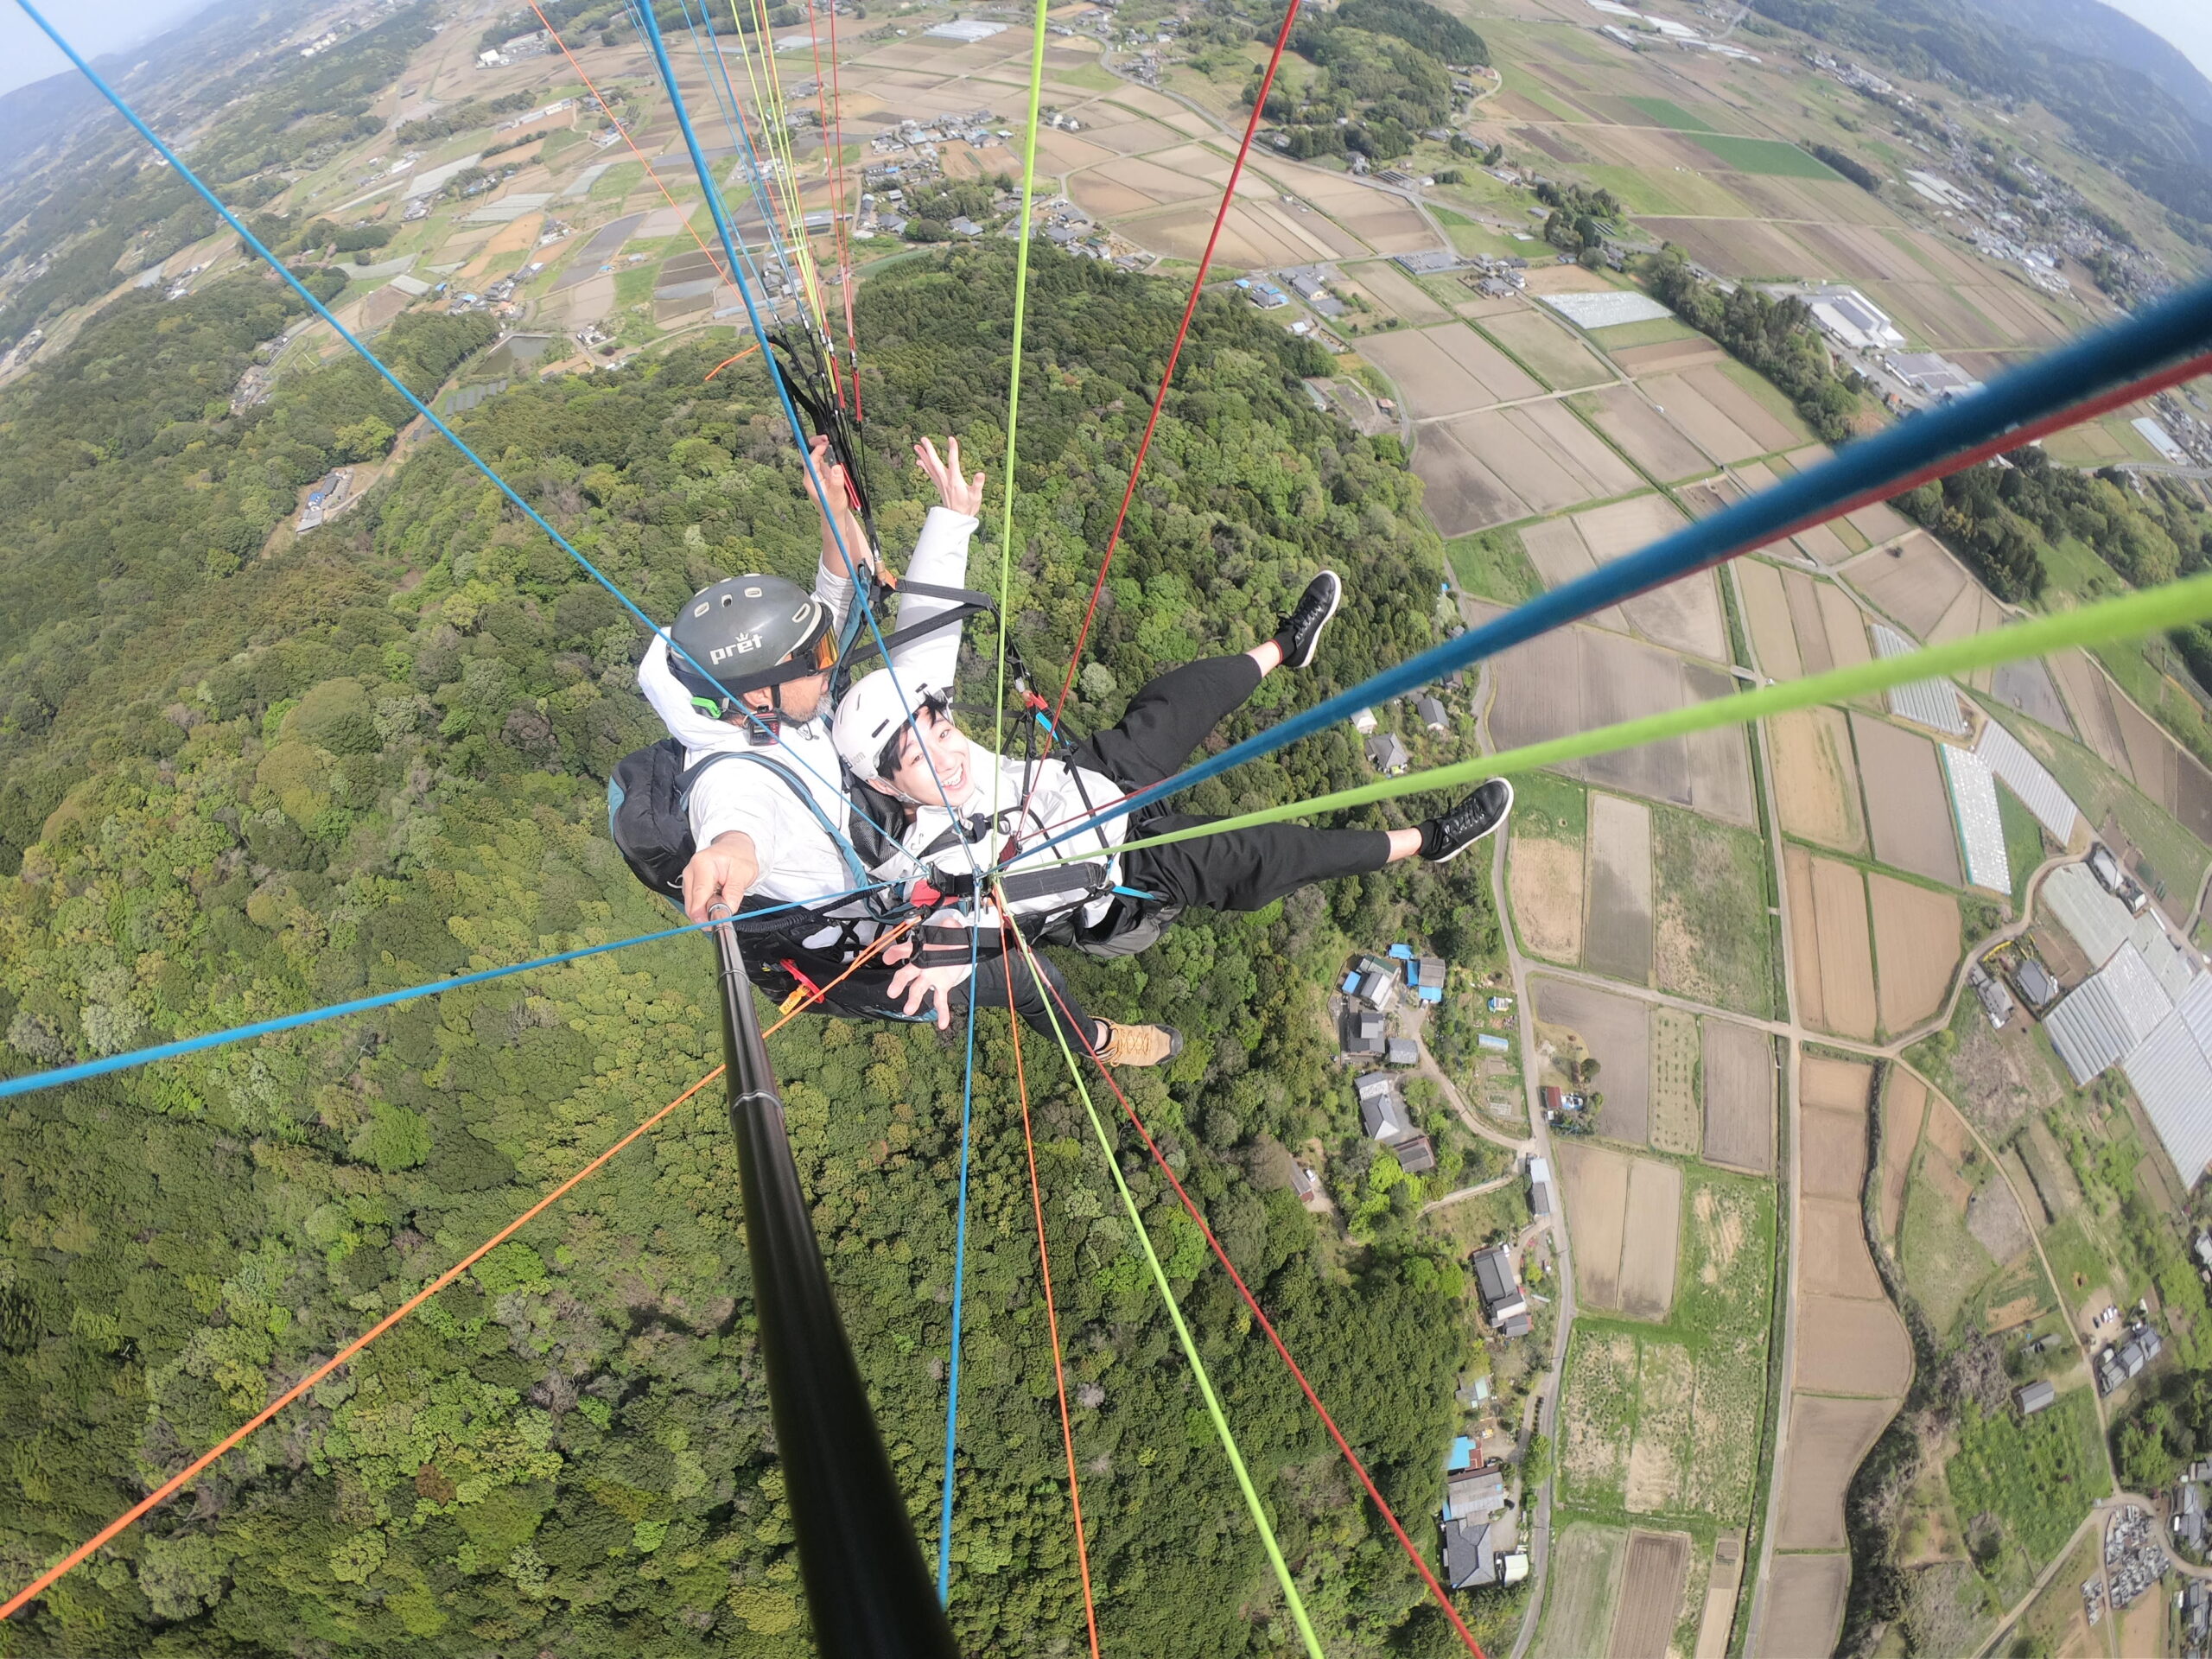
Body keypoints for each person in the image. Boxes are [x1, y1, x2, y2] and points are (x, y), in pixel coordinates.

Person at [828, 570, 1515, 1062]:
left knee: (1175, 704)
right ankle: (1429, 841)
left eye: (941, 729)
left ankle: (1284, 647)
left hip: (1090, 782)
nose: (945, 753)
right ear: (884, 780)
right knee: (1264, 853)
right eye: (917, 756)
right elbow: (967, 915)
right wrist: (951, 956)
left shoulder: (925, 736)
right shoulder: (922, 860)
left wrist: (951, 517)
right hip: (1119, 876)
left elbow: (919, 635)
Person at [643, 435, 1171, 1062]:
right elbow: (738, 818)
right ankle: (1096, 1042)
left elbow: (833, 606)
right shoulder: (734, 778)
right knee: (1028, 978)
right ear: (759, 698)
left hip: (885, 850)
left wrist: (833, 513)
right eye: (815, 664)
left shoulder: (770, 703)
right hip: (854, 953)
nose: (830, 665)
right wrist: (731, 853)